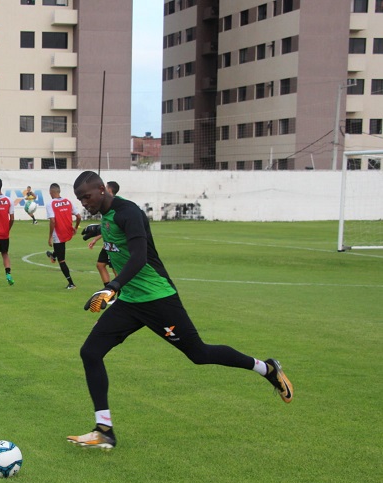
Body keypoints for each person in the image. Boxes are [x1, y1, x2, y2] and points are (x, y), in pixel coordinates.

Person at [66, 170, 293, 450]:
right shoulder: (108, 214)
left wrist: (112, 286)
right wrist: (99, 229)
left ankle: (267, 368)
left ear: (102, 189)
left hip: (158, 299)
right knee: (90, 352)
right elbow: (116, 229)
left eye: (86, 197)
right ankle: (104, 430)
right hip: (131, 302)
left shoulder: (130, 212)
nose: (84, 203)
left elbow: (139, 256)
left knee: (200, 354)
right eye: (80, 199)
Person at [45, 183, 81, 289]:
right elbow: (78, 216)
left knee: (62, 260)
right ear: (59, 191)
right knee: (59, 249)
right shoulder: (67, 202)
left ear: (51, 192)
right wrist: (75, 227)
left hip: (58, 234)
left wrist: (50, 236)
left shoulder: (50, 204)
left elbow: (52, 220)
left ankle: (71, 283)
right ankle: (53, 255)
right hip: (67, 231)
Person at [86, 181, 120, 285]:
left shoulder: (116, 205)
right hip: (108, 242)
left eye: (105, 188)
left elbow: (113, 227)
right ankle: (109, 292)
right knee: (100, 265)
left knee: (115, 268)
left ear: (109, 190)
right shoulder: (106, 205)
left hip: (114, 242)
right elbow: (106, 227)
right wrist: (96, 239)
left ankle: (121, 293)